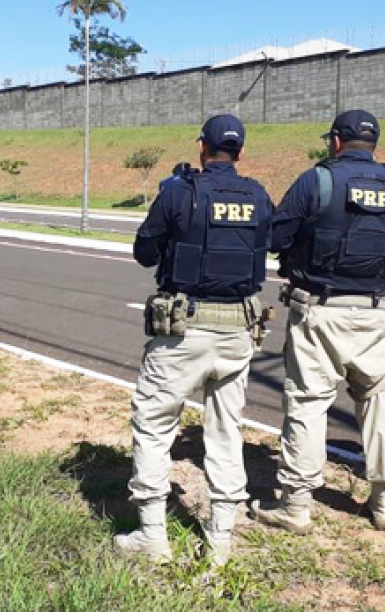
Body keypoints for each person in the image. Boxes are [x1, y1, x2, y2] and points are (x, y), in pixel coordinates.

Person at [115, 114, 274, 566]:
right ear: (240, 152)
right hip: (238, 331)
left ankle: (152, 536)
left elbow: (144, 252)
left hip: (183, 329)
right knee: (226, 431)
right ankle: (220, 539)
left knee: (155, 423)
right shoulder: (258, 195)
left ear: (202, 147)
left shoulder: (179, 193)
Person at [251, 109, 385, 534]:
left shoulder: (317, 180)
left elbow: (275, 237)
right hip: (377, 311)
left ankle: (297, 505)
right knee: (379, 401)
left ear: (337, 142)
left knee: (307, 402)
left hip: (319, 309)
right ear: (374, 144)